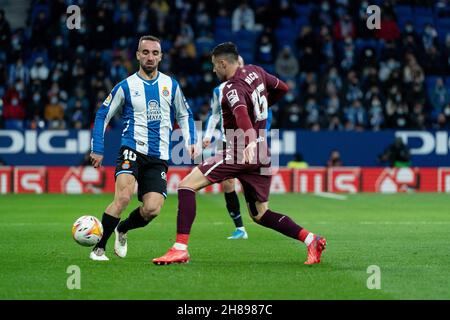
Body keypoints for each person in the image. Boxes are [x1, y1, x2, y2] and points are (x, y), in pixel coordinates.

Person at [153, 42, 326, 266]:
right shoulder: (256, 71)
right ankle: (311, 239)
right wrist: (257, 128)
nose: (214, 70)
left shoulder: (231, 88)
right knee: (260, 214)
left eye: (215, 66)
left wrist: (249, 140)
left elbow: (242, 115)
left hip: (240, 148)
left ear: (224, 63)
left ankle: (179, 249)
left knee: (186, 185)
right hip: (263, 150)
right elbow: (283, 88)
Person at [89, 35, 197, 261]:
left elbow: (185, 114)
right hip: (131, 149)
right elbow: (102, 115)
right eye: (145, 52)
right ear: (138, 55)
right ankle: (99, 247)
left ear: (161, 57)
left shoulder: (171, 85)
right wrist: (98, 147)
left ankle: (123, 229)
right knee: (124, 198)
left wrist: (191, 141)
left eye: (155, 53)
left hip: (158, 156)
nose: (150, 57)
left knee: (152, 209)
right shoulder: (125, 86)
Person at [202, 56, 248, 240]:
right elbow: (214, 115)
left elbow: (265, 113)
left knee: (250, 184)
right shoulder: (219, 90)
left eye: (242, 65)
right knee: (228, 183)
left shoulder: (252, 87)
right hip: (227, 140)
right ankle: (240, 228)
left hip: (249, 140)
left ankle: (263, 216)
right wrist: (207, 135)